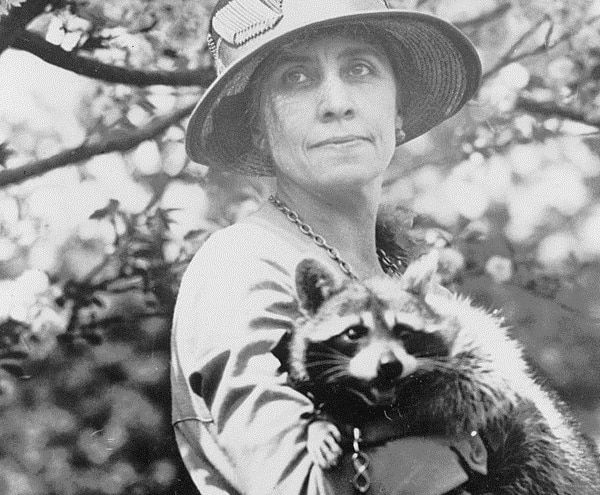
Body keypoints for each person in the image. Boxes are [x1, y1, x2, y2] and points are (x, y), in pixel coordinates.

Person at [170, 0, 482, 493]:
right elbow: (301, 486)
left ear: (398, 109)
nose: (336, 102)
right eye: (295, 78)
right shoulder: (244, 264)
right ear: (257, 126)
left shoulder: (422, 295)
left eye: (359, 69)